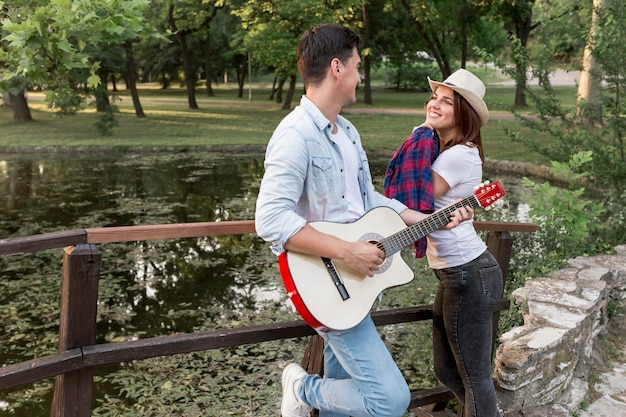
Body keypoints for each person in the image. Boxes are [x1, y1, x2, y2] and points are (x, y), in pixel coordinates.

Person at [255, 24, 473, 417]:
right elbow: (270, 219)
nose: (361, 74)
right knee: (389, 399)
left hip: (355, 282)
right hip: (323, 281)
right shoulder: (295, 134)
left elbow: (367, 199)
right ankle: (301, 387)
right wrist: (348, 251)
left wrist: (426, 219)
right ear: (337, 68)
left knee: (348, 391)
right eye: (357, 66)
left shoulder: (347, 132)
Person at [384, 68, 504, 417]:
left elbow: (412, 201)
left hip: (469, 272)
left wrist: (420, 129)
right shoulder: (443, 149)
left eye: (446, 101)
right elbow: (426, 206)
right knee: (448, 371)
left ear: (462, 112)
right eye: (433, 97)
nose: (434, 103)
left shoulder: (457, 155)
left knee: (475, 377)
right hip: (456, 273)